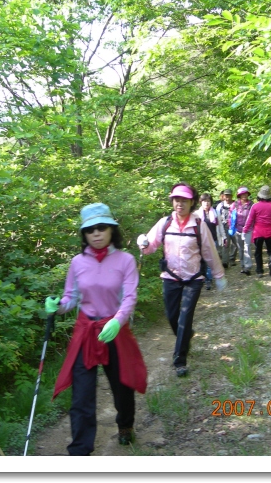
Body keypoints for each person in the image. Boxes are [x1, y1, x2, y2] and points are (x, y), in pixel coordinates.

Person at [46, 203, 147, 456]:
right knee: (81, 395)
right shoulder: (77, 263)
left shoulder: (126, 260)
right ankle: (80, 450)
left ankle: (125, 425)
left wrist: (118, 320)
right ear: (84, 234)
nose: (96, 233)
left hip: (116, 329)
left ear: (112, 230)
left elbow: (129, 297)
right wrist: (57, 306)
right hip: (86, 332)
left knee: (122, 386)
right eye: (90, 230)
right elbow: (71, 298)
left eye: (102, 227)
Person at [137, 183, 226, 378]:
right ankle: (185, 338)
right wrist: (142, 242)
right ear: (172, 201)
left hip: (193, 279)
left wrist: (218, 275)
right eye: (177, 200)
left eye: (184, 200)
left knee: (185, 318)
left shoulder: (199, 225)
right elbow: (150, 247)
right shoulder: (165, 223)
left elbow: (210, 252)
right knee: (172, 317)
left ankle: (180, 360)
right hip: (170, 277)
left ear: (192, 202)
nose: (180, 203)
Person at [242, 185, 271, 278]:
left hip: (258, 232)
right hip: (270, 231)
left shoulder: (255, 206)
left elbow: (250, 220)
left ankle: (260, 271)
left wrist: (244, 231)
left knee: (258, 252)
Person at [195, 193, 225, 290]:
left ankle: (208, 280)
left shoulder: (216, 212)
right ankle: (202, 278)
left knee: (210, 260)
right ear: (201, 203)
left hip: (213, 240)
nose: (206, 203)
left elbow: (220, 226)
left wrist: (224, 237)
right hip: (200, 241)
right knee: (201, 261)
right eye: (204, 201)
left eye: (208, 201)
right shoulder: (196, 214)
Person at [228, 187, 254, 276]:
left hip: (248, 229)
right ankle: (243, 266)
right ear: (239, 195)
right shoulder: (234, 205)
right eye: (242, 194)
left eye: (246, 193)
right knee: (241, 248)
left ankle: (248, 266)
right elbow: (230, 217)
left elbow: (255, 216)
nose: (244, 195)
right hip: (238, 230)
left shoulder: (251, 204)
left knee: (247, 247)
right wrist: (231, 228)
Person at [216, 189, 237, 267]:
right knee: (225, 243)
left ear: (231, 196)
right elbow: (217, 217)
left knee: (235, 244)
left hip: (234, 226)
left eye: (229, 195)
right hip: (224, 226)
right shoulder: (220, 205)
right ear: (223, 196)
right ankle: (225, 261)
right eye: (226, 195)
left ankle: (232, 258)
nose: (227, 197)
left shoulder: (235, 204)